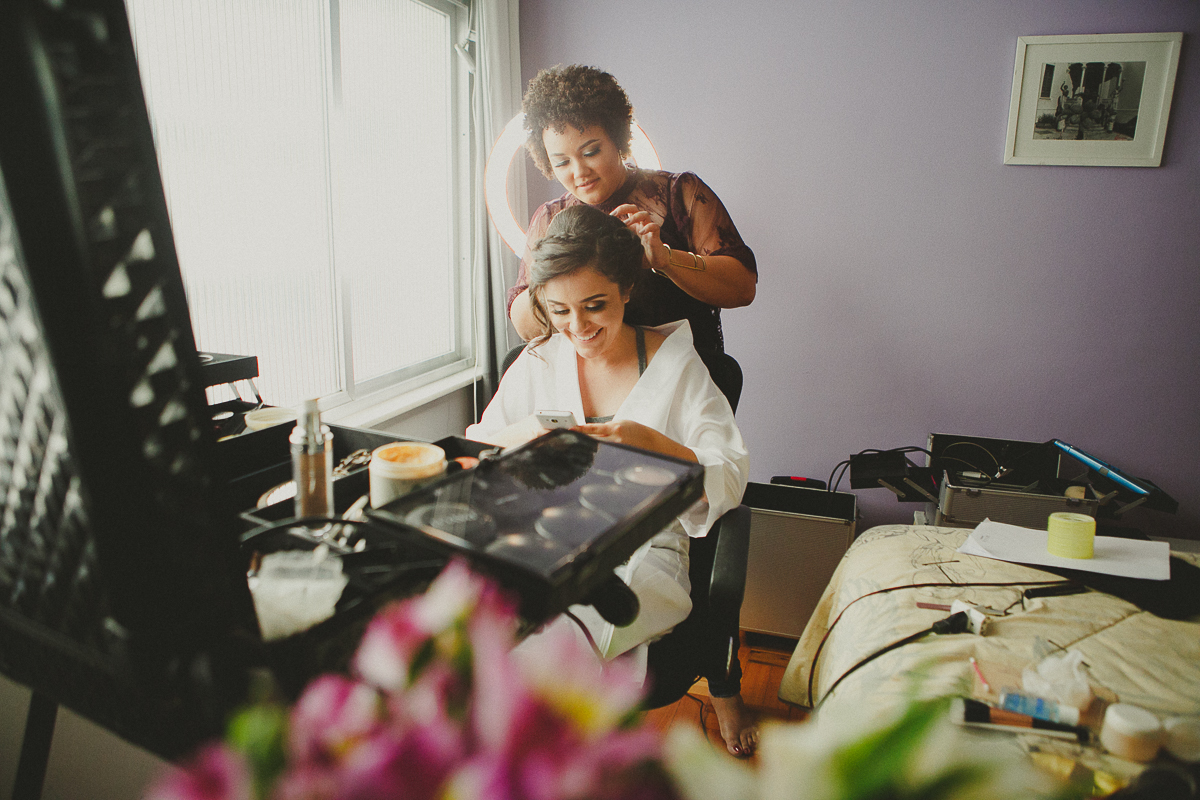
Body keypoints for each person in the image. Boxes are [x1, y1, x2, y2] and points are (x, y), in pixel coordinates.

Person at [470, 204, 758, 756]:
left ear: (627, 288)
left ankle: (542, 757)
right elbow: (481, 441)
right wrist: (524, 437)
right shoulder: (539, 361)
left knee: (562, 637)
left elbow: (730, 469)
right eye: (559, 311)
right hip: (547, 540)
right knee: (489, 621)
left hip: (645, 549)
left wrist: (657, 445)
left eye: (595, 306)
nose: (577, 328)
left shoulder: (677, 366)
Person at [506, 64, 757, 357]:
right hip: (596, 380)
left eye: (591, 152)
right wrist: (563, 266)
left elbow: (742, 287)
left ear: (618, 138)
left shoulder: (679, 194)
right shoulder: (551, 219)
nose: (579, 171)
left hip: (683, 373)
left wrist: (665, 260)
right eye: (561, 162)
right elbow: (524, 325)